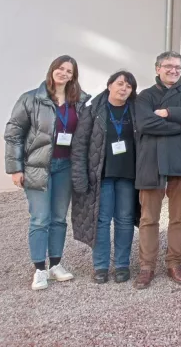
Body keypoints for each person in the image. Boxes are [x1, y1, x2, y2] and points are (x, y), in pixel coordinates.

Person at [5, 55, 89, 290]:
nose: (63, 73)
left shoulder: (79, 102)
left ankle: (55, 264)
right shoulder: (32, 99)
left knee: (59, 218)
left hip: (66, 167)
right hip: (38, 167)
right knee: (40, 219)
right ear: (52, 70)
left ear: (74, 76)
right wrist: (15, 168)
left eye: (69, 71)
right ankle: (39, 270)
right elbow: (14, 133)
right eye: (60, 69)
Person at [133, 51, 181, 289]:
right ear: (157, 69)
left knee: (179, 217)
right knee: (148, 218)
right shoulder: (145, 96)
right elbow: (144, 123)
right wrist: (179, 126)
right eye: (168, 66)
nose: (173, 70)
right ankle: (147, 266)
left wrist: (167, 113)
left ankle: (175, 262)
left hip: (180, 160)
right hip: (151, 161)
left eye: (177, 67)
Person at [71, 71, 139, 284]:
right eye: (120, 84)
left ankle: (122, 264)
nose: (124, 89)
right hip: (101, 176)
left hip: (128, 175)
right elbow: (80, 145)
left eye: (128, 86)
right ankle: (100, 266)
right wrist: (80, 177)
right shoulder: (93, 112)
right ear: (109, 85)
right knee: (101, 220)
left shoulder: (136, 110)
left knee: (125, 220)